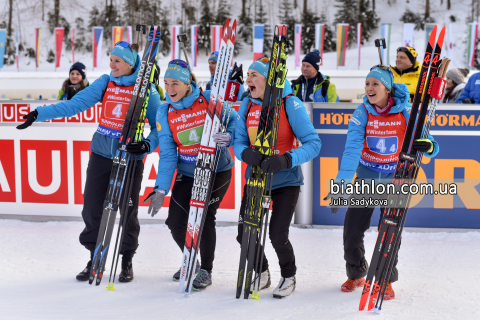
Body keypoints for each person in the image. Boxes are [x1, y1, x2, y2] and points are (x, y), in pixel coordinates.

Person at [16, 42, 162, 283]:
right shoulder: (106, 82)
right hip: (101, 155)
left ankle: (126, 259)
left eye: (117, 60)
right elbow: (75, 105)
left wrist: (147, 145)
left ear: (129, 64)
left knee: (128, 211)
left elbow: (158, 128)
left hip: (130, 159)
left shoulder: (147, 91)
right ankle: (95, 255)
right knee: (92, 208)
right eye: (111, 59)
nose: (111, 64)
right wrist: (39, 114)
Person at [327, 65, 439, 299]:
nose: (369, 88)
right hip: (367, 177)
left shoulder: (406, 111)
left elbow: (429, 142)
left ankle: (386, 278)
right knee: (352, 230)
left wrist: (429, 146)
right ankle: (357, 272)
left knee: (389, 232)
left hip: (398, 179)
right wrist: (341, 185)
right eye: (367, 84)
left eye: (375, 84)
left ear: (387, 89)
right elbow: (351, 151)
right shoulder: (362, 112)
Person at [144, 59, 238, 291]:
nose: (170, 89)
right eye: (166, 84)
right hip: (187, 172)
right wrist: (160, 189)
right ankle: (191, 261)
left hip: (216, 169)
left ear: (187, 84)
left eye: (175, 83)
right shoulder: (164, 112)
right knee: (175, 221)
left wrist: (229, 137)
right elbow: (167, 154)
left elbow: (235, 122)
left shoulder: (208, 101)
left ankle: (206, 269)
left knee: (204, 217)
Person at [233, 58, 321, 298]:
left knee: (277, 234)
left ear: (269, 80)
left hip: (286, 181)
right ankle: (262, 272)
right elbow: (238, 142)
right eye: (247, 75)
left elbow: (314, 144)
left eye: (254, 75)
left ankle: (288, 275)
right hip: (256, 180)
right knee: (245, 233)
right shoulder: (247, 105)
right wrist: (245, 153)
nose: (248, 80)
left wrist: (286, 159)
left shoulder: (290, 103)